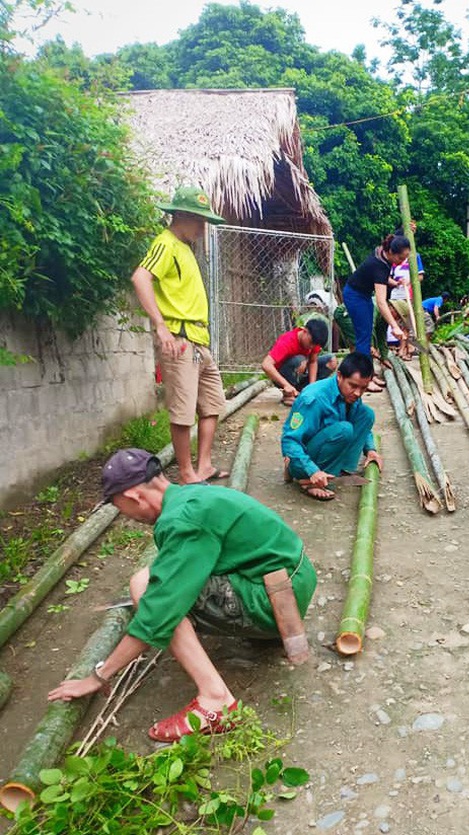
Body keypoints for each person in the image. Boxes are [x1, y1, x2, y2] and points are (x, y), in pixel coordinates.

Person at [48, 448, 317, 741]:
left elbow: (158, 612)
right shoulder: (193, 496)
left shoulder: (182, 520)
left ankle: (216, 699)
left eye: (119, 507)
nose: (126, 517)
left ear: (134, 497)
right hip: (288, 581)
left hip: (273, 600)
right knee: (155, 579)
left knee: (148, 589)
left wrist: (98, 676)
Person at [131, 186, 228, 485]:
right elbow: (140, 277)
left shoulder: (185, 248)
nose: (203, 227)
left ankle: (205, 466)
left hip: (200, 340)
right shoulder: (166, 243)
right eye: (199, 220)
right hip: (181, 339)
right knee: (183, 411)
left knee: (213, 404)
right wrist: (160, 326)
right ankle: (187, 474)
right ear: (182, 215)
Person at [281, 352, 383, 501]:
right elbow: (289, 441)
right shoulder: (314, 398)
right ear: (340, 376)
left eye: (363, 388)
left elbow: (357, 418)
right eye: (353, 386)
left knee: (366, 414)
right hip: (305, 458)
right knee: (344, 429)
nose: (358, 393)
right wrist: (312, 470)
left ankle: (341, 470)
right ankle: (306, 479)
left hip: (327, 446)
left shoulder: (350, 394)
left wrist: (370, 449)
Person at [342, 235, 408, 388]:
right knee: (364, 339)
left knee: (366, 335)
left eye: (405, 258)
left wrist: (395, 283)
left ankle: (368, 374)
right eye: (400, 257)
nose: (402, 261)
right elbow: (381, 302)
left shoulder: (382, 253)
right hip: (355, 296)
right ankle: (364, 380)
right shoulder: (379, 265)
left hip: (364, 295)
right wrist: (395, 326)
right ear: (391, 251)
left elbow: (383, 278)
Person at [262, 319, 337, 406]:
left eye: (315, 345)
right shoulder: (287, 340)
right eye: (311, 343)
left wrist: (312, 387)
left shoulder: (314, 342)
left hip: (301, 374)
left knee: (331, 361)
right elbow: (266, 364)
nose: (311, 347)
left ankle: (306, 391)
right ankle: (290, 393)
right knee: (300, 360)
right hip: (283, 377)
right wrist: (286, 385)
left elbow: (313, 362)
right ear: (305, 331)